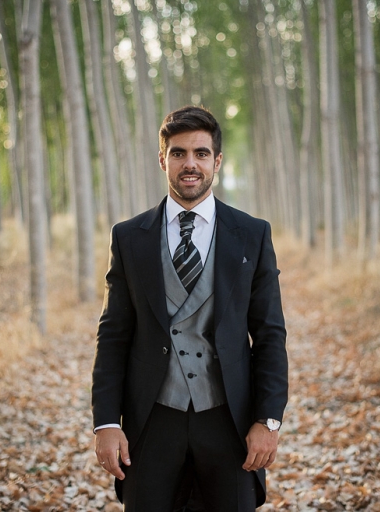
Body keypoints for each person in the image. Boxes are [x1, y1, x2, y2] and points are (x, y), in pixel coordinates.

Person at [91, 105, 288, 511]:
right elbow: (113, 335)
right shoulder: (129, 237)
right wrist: (107, 422)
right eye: (178, 153)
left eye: (201, 153)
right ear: (162, 160)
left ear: (217, 161)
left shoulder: (252, 234)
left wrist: (268, 420)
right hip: (152, 419)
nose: (190, 164)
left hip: (228, 419)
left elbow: (270, 333)